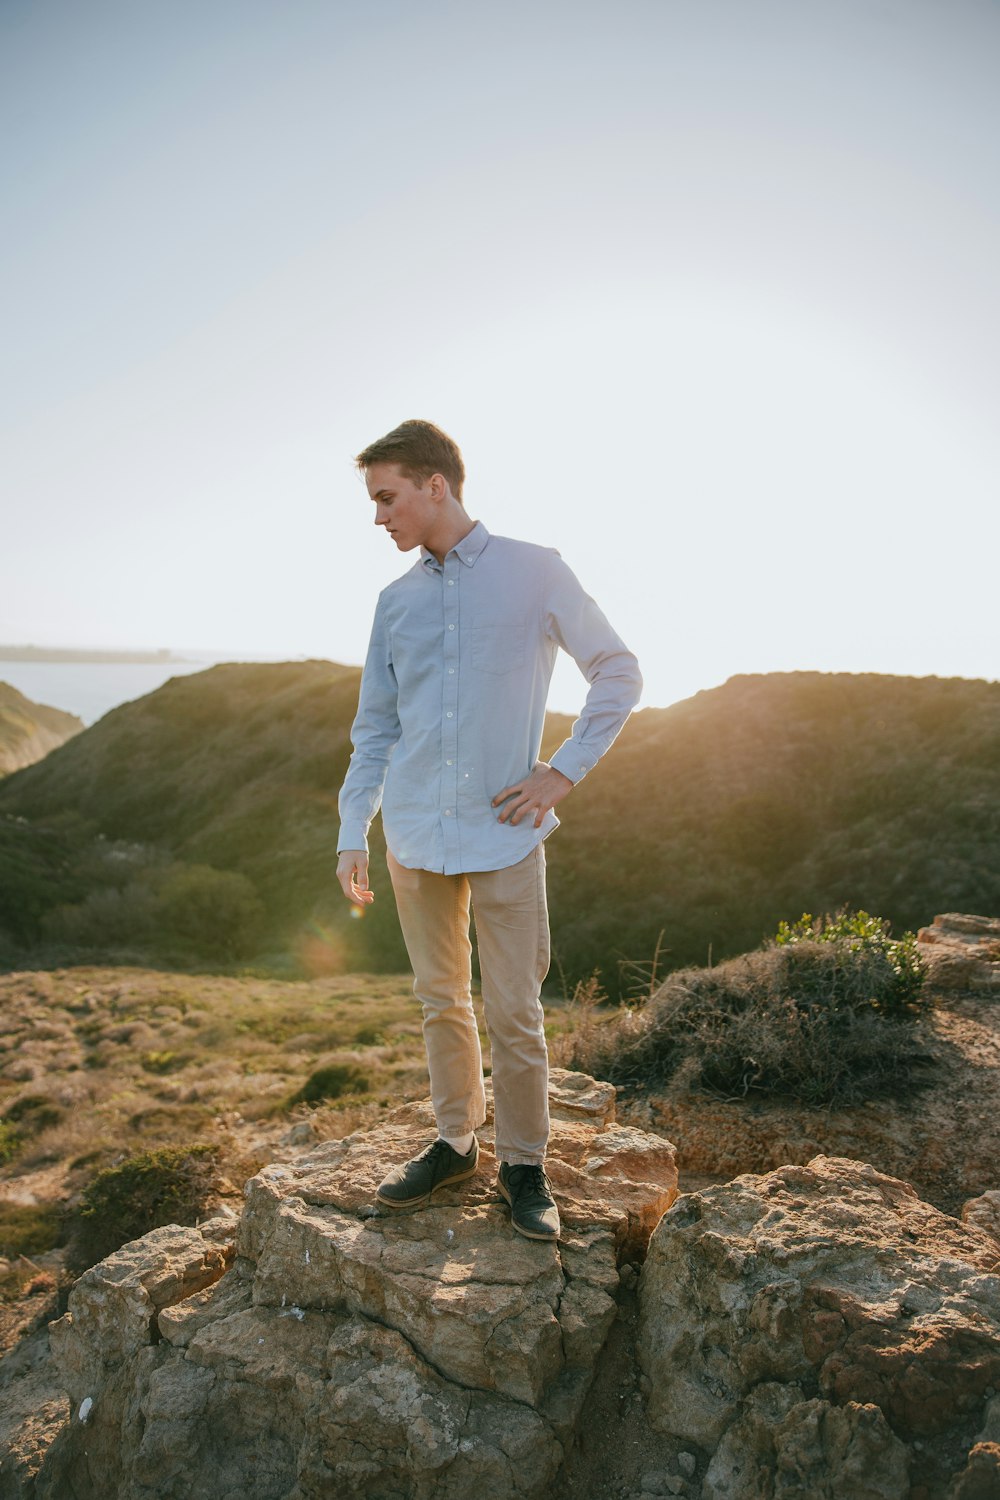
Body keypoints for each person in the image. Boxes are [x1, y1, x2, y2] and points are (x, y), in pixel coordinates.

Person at [336, 419, 641, 1242]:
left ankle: (524, 1165)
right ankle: (453, 1144)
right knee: (440, 1002)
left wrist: (562, 771)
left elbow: (618, 669)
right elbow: (374, 728)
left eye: (386, 496)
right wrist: (350, 828)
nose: (378, 517)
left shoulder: (535, 571)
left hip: (507, 833)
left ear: (436, 485)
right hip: (413, 837)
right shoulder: (395, 602)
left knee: (514, 1010)